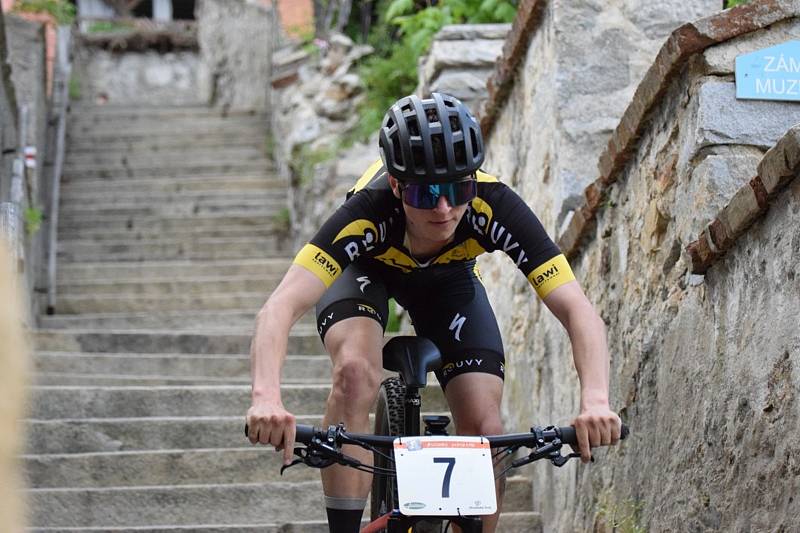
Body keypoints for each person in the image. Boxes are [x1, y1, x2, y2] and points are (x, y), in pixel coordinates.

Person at [247, 92, 621, 533]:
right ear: (395, 185)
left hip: (447, 280)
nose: (444, 209)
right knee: (354, 374)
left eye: (458, 189)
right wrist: (266, 398)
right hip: (367, 272)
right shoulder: (368, 211)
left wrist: (595, 399)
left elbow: (576, 308)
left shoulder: (494, 203)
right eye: (425, 193)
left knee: (486, 426)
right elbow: (280, 306)